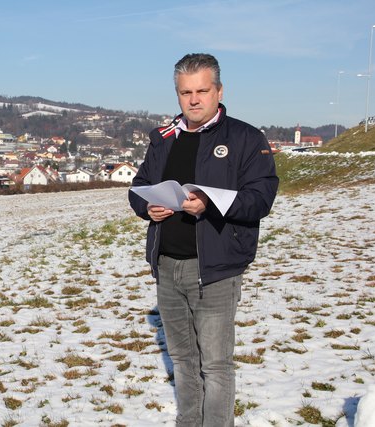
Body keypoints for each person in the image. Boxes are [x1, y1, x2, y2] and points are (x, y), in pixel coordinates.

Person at [128, 53, 278, 426]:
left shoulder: (245, 138)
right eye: (185, 92)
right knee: (182, 359)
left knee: (215, 365)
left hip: (215, 270)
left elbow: (261, 199)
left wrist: (210, 204)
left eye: (202, 91)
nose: (194, 99)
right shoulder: (163, 138)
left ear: (219, 91)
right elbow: (139, 187)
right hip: (166, 266)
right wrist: (148, 208)